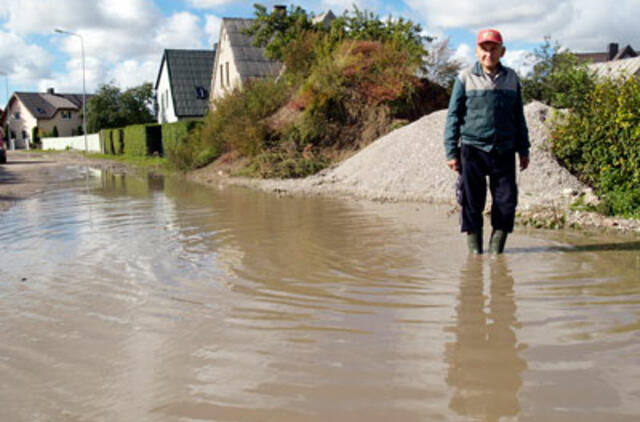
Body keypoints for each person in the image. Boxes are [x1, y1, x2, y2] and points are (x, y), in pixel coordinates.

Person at [444, 29, 530, 254]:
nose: (489, 54)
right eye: (484, 49)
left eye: (494, 49)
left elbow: (518, 115)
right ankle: (475, 254)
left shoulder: (512, 78)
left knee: (506, 203)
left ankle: (496, 252)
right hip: (473, 150)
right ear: (476, 51)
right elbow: (453, 115)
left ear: (502, 51)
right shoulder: (464, 78)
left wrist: (524, 149)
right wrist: (451, 151)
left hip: (504, 150)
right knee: (472, 202)